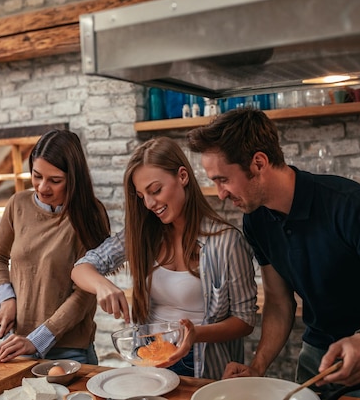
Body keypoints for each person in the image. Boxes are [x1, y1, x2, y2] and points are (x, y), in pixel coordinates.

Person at [186, 107, 360, 399]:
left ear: (258, 162)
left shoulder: (350, 206)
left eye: (223, 179)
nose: (219, 193)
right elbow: (279, 302)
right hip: (315, 359)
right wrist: (257, 366)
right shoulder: (256, 219)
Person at [71, 136, 257, 380]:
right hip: (149, 358)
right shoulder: (142, 235)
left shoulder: (226, 241)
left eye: (155, 190)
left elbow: (245, 320)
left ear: (182, 176)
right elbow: (81, 267)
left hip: (201, 364)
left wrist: (194, 334)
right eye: (141, 195)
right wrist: (102, 285)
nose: (149, 203)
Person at [0, 129, 110, 363]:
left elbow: (84, 293)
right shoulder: (17, 204)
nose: (42, 187)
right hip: (19, 345)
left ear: (74, 179)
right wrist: (6, 299)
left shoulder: (91, 215)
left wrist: (38, 339)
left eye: (55, 180)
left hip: (70, 351)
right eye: (36, 176)